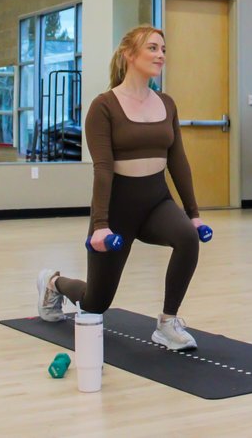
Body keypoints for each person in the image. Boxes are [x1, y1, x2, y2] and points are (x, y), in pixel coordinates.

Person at [36, 24, 208, 350]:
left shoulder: (167, 104)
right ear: (129, 54)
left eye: (163, 49)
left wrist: (194, 214)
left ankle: (167, 323)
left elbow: (179, 162)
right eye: (152, 48)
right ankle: (53, 283)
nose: (160, 55)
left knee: (187, 238)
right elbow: (102, 169)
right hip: (118, 209)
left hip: (156, 202)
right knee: (95, 302)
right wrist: (100, 225)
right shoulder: (103, 107)